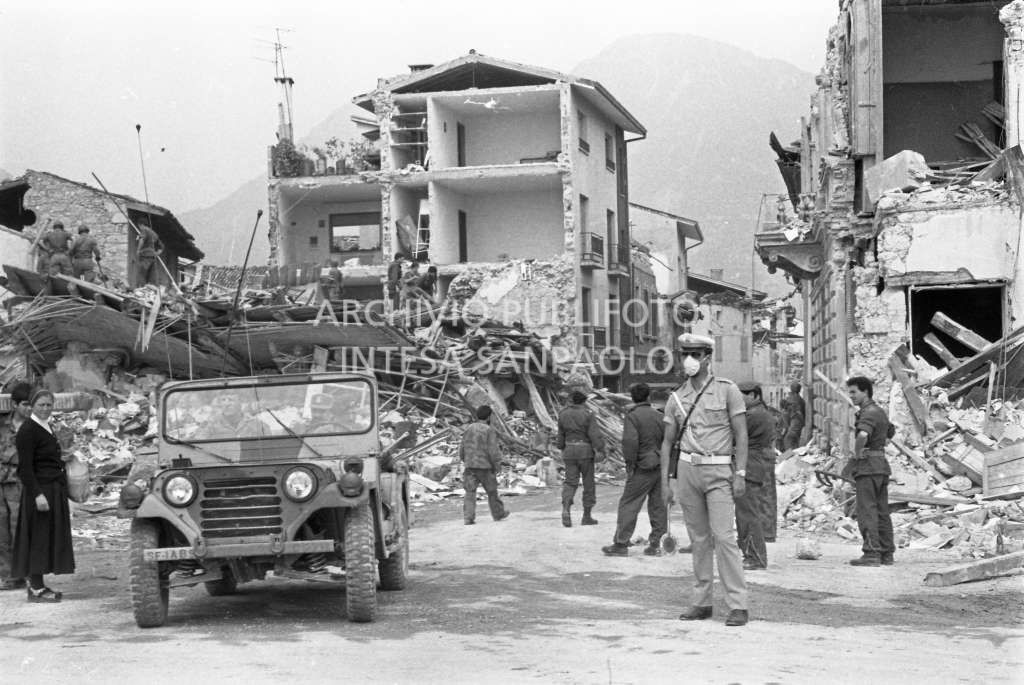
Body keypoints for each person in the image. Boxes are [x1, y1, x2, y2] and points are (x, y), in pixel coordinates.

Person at [661, 333, 749, 627]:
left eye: (696, 354)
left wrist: (741, 473)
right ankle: (702, 602)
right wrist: (666, 482)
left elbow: (741, 434)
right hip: (688, 470)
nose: (689, 360)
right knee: (698, 540)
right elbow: (667, 443)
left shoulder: (727, 391)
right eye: (685, 353)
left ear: (708, 357)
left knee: (724, 537)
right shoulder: (676, 398)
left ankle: (737, 604)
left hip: (719, 470)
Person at [12, 390, 75, 602]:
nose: (46, 409)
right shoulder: (28, 431)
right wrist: (38, 495)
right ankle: (36, 589)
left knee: (46, 536)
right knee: (37, 538)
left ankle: (39, 585)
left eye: (49, 405)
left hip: (52, 488)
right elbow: (25, 469)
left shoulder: (46, 427)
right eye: (41, 405)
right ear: (32, 406)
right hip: (40, 492)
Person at [602, 383, 667, 557]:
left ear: (632, 397)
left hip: (642, 466)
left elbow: (630, 443)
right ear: (648, 396)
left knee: (629, 504)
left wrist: (630, 465)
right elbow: (668, 441)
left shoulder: (633, 416)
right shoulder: (659, 416)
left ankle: (621, 544)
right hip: (660, 465)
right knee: (658, 506)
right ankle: (656, 544)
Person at [846, 375, 895, 567]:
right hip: (881, 465)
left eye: (854, 392)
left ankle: (872, 553)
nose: (851, 396)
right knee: (882, 511)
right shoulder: (880, 411)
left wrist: (858, 452)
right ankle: (886, 553)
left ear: (865, 391)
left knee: (867, 511)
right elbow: (890, 432)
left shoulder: (867, 413)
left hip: (868, 467)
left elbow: (863, 435)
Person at [735, 381, 775, 570]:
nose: (738, 398)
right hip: (753, 464)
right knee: (746, 513)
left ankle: (755, 556)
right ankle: (750, 553)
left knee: (747, 514)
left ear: (754, 395)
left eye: (742, 394)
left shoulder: (753, 415)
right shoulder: (760, 412)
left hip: (749, 466)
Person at [0, 382, 33, 590]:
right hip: (2, 481)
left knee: (21, 527)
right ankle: (10, 576)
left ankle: (29, 574)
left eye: (31, 404)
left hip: (21, 481)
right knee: (1, 530)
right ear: (14, 404)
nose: (28, 409)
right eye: (24, 404)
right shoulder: (2, 425)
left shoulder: (35, 428)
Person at [557, 390, 605, 527]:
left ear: (571, 400)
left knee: (570, 482)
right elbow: (595, 435)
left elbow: (560, 437)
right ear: (584, 401)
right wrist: (601, 449)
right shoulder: (588, 414)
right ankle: (586, 516)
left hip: (569, 451)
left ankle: (566, 509)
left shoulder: (563, 414)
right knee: (588, 483)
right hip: (585, 452)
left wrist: (561, 447)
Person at [458, 406, 509, 525]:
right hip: (484, 466)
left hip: (470, 465)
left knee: (470, 492)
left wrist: (464, 459)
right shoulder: (489, 430)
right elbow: (493, 451)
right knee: (492, 491)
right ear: (489, 416)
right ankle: (498, 513)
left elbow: (462, 446)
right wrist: (497, 466)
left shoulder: (469, 428)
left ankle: (468, 517)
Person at [136, 217, 164, 286]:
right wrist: (156, 254)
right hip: (152, 258)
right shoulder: (154, 234)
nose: (139, 228)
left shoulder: (144, 230)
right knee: (150, 277)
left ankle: (140, 291)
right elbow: (161, 247)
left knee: (141, 275)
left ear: (141, 225)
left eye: (139, 226)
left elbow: (142, 240)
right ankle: (148, 292)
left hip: (145, 256)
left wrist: (138, 250)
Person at [781, 382, 806, 450]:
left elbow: (788, 414)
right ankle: (787, 458)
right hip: (796, 424)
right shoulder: (799, 399)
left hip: (795, 423)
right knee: (793, 442)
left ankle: (785, 458)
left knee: (788, 440)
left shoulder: (792, 399)